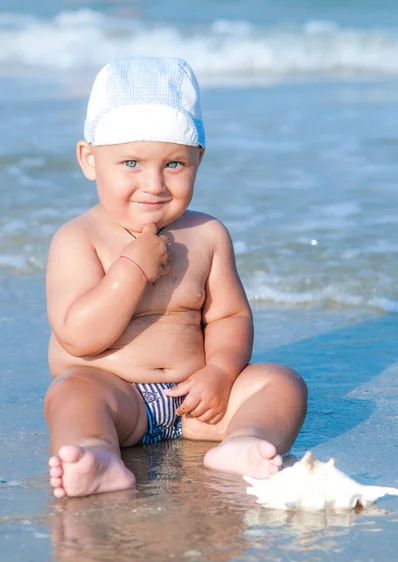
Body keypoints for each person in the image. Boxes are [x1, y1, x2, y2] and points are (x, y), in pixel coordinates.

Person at [45, 56, 307, 498]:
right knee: (71, 393)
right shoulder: (78, 239)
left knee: (281, 382)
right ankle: (96, 455)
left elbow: (229, 316)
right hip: (116, 397)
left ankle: (245, 441)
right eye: (130, 163)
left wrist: (222, 372)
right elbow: (78, 337)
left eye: (174, 165)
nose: (154, 184)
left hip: (195, 403)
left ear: (198, 160)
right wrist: (132, 268)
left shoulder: (206, 235)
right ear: (90, 160)